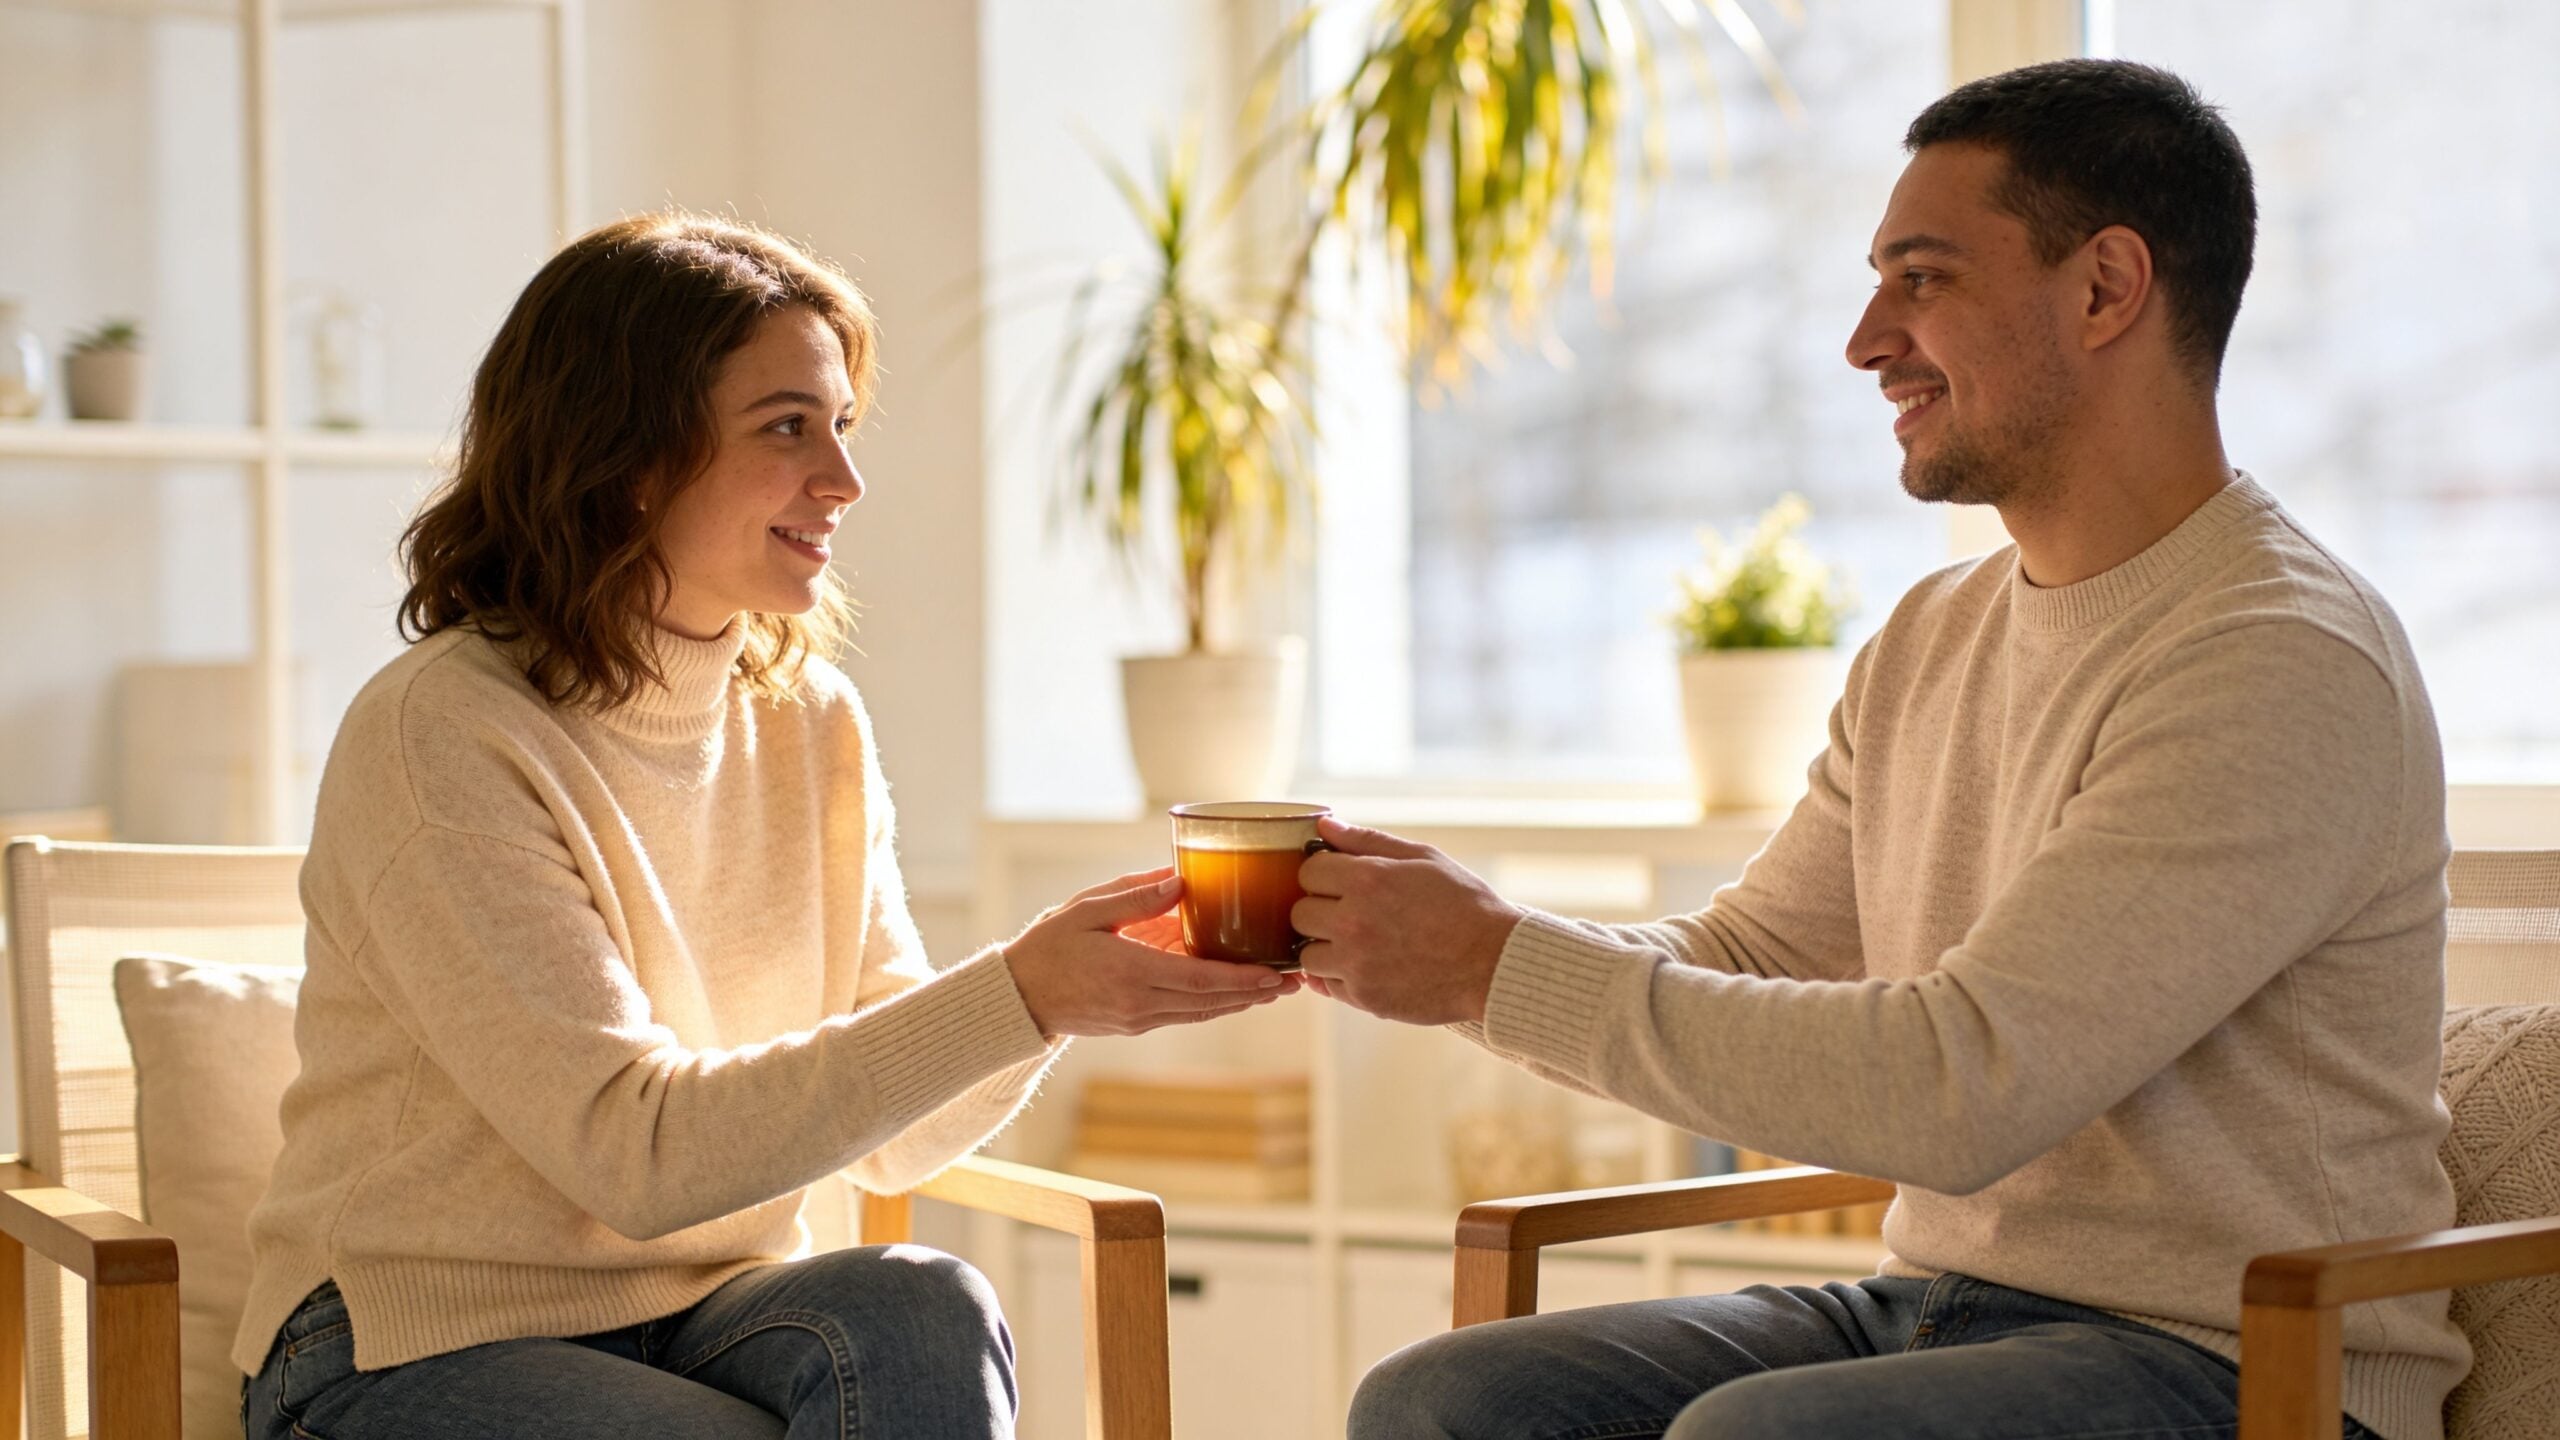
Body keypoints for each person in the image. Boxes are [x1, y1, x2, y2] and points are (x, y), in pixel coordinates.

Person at [1312, 60, 2464, 1440]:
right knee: (1449, 1401)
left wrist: (1495, 965)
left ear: (2106, 289)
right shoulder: (1935, 632)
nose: (1867, 339)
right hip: (1944, 1303)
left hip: (2245, 1366)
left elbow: (1964, 1086)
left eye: (1923, 279)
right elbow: (1750, 959)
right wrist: (1447, 955)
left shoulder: (2276, 655)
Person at [233, 212, 1297, 1440]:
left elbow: (904, 1142)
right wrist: (1020, 990)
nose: (843, 480)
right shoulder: (445, 733)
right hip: (407, 1342)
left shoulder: (809, 721)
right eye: (788, 426)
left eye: (840, 425)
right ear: (627, 455)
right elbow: (630, 1157)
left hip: (708, 1309)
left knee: (920, 1305)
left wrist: (1075, 988)